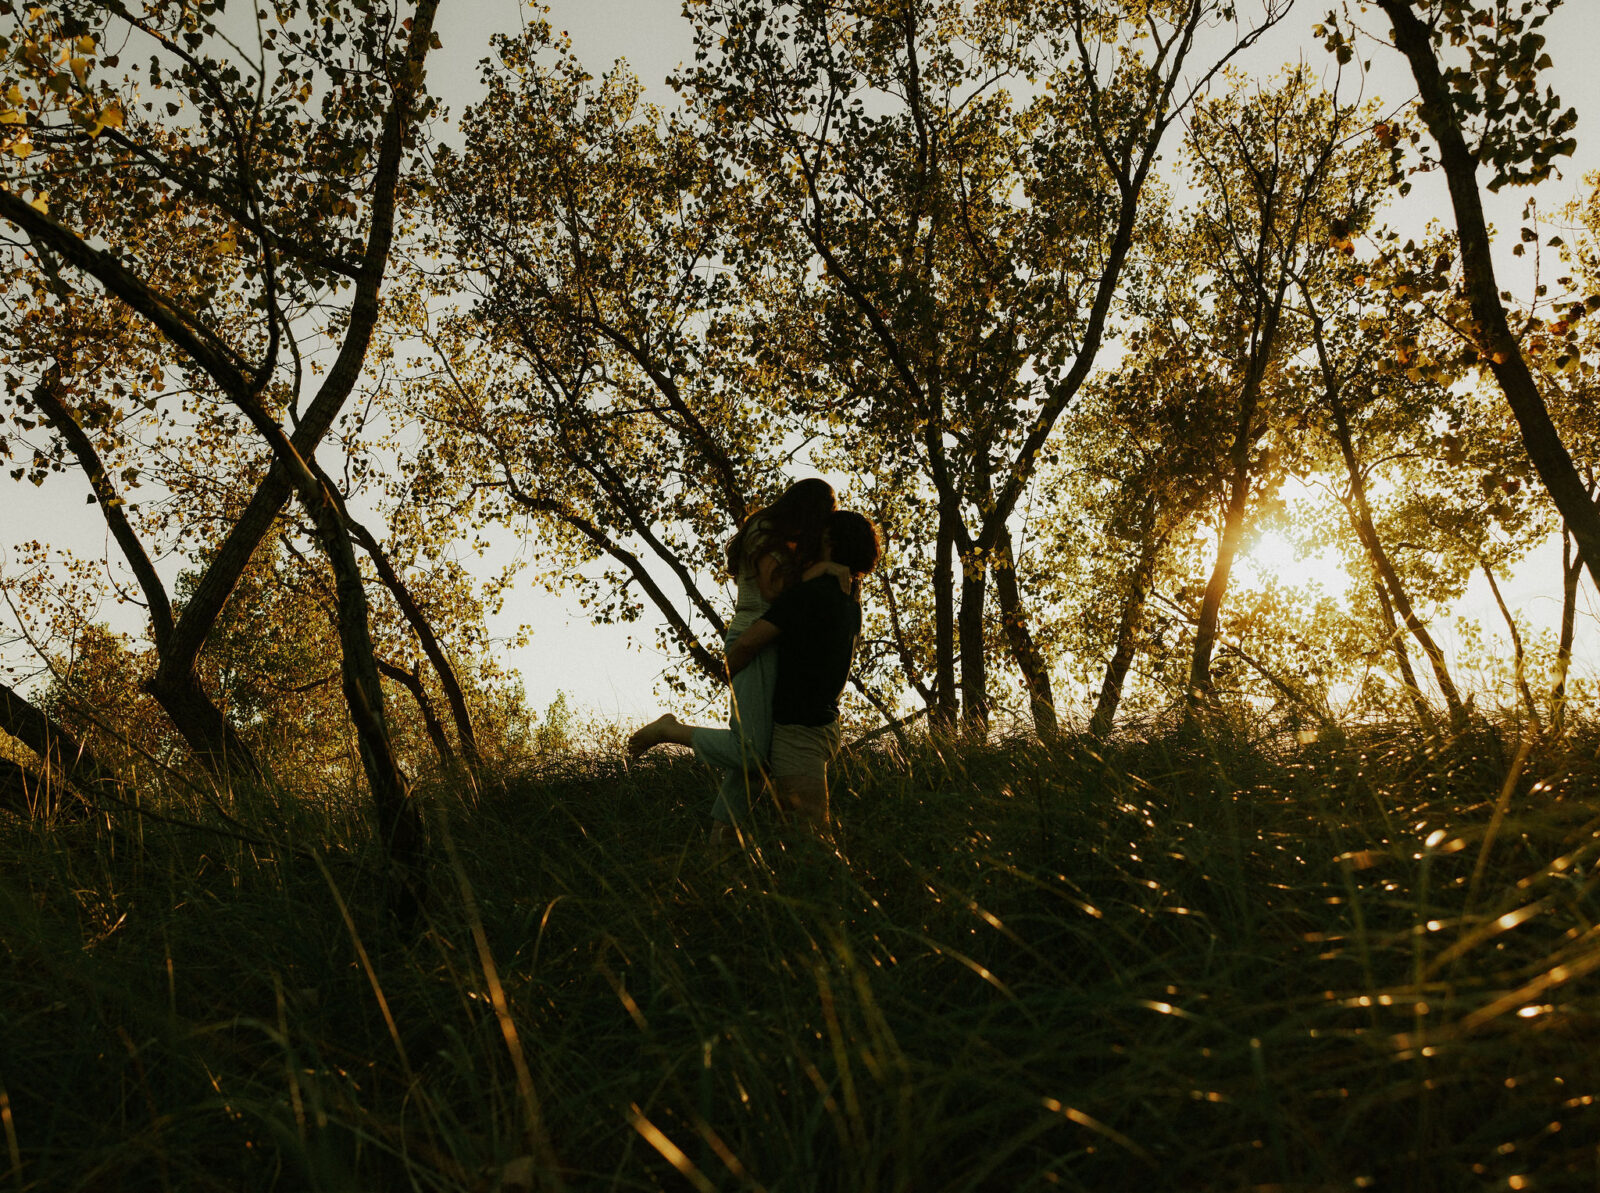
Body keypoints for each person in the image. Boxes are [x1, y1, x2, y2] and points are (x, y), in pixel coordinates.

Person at [629, 509, 881, 833]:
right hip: (820, 724)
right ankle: (717, 849)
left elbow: (748, 644)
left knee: (805, 829)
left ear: (828, 540)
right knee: (763, 778)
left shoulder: (810, 595)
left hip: (801, 729)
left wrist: (731, 673)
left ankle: (670, 734)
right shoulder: (850, 594)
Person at [669, 479, 837, 829]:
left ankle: (722, 841)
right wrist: (819, 571)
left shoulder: (780, 532)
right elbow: (772, 589)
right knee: (750, 751)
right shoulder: (764, 527)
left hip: (771, 640)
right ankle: (672, 731)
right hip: (754, 636)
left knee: (759, 761)